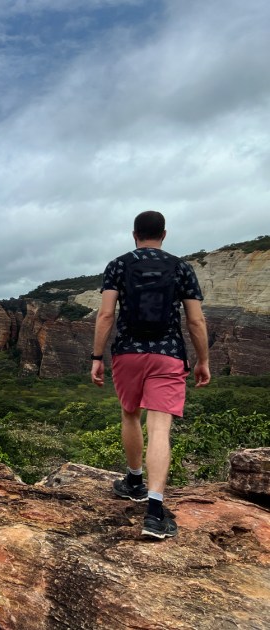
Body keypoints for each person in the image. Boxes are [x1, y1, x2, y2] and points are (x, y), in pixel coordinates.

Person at [91, 210, 210, 539]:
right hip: (168, 355)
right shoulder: (181, 267)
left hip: (128, 353)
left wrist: (96, 356)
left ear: (134, 235)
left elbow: (105, 315)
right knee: (160, 429)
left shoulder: (118, 265)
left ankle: (133, 481)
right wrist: (203, 360)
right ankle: (155, 513)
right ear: (164, 234)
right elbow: (196, 321)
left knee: (130, 415)